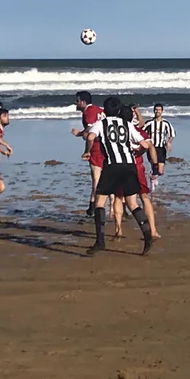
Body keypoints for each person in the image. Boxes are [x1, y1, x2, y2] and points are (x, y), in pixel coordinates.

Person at [82, 95, 158, 256]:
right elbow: (145, 144)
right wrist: (137, 152)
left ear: (105, 110)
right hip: (129, 166)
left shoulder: (101, 123)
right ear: (118, 110)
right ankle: (147, 235)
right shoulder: (127, 124)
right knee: (132, 203)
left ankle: (100, 241)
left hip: (112, 166)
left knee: (100, 202)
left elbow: (90, 136)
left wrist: (87, 151)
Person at [111, 104, 161, 240]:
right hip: (137, 167)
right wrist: (154, 165)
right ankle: (153, 230)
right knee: (144, 197)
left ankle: (118, 229)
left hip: (120, 167)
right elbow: (150, 146)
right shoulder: (138, 131)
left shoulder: (115, 131)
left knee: (118, 197)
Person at [71, 91, 106, 216]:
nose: (76, 103)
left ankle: (94, 205)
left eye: (77, 101)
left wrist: (80, 134)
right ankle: (96, 206)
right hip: (105, 146)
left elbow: (90, 131)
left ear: (83, 102)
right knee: (105, 175)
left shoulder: (88, 112)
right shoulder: (100, 110)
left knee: (96, 177)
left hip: (96, 146)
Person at [143, 103, 176, 187]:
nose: (157, 111)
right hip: (152, 148)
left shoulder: (166, 123)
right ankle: (153, 181)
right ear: (154, 111)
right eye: (156, 110)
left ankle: (153, 177)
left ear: (162, 111)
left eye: (159, 110)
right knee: (154, 166)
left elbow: (172, 134)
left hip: (161, 148)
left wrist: (168, 142)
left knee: (160, 171)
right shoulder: (149, 123)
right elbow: (142, 132)